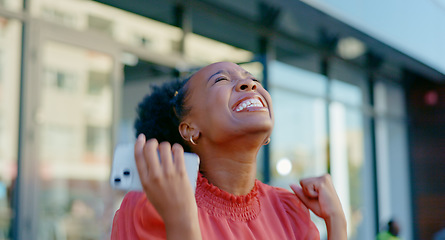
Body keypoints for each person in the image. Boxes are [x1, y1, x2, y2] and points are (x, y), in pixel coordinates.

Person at [111, 62, 347, 239]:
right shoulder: (149, 207)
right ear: (189, 128)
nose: (250, 84)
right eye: (220, 80)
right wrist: (180, 219)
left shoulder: (289, 210)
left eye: (253, 79)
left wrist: (336, 223)